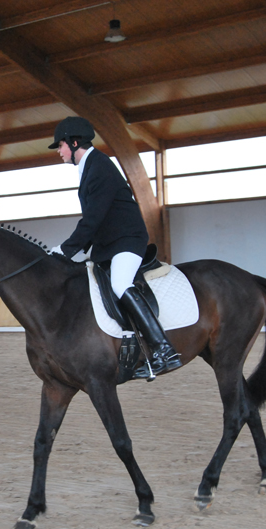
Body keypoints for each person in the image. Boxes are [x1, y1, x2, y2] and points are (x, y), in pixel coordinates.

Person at [48, 116, 181, 377]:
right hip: (108, 244)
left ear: (75, 143)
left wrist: (65, 250)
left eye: (61, 146)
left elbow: (93, 219)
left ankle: (164, 349)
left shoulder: (99, 166)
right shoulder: (88, 167)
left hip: (127, 240)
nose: (59, 152)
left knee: (120, 284)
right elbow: (95, 220)